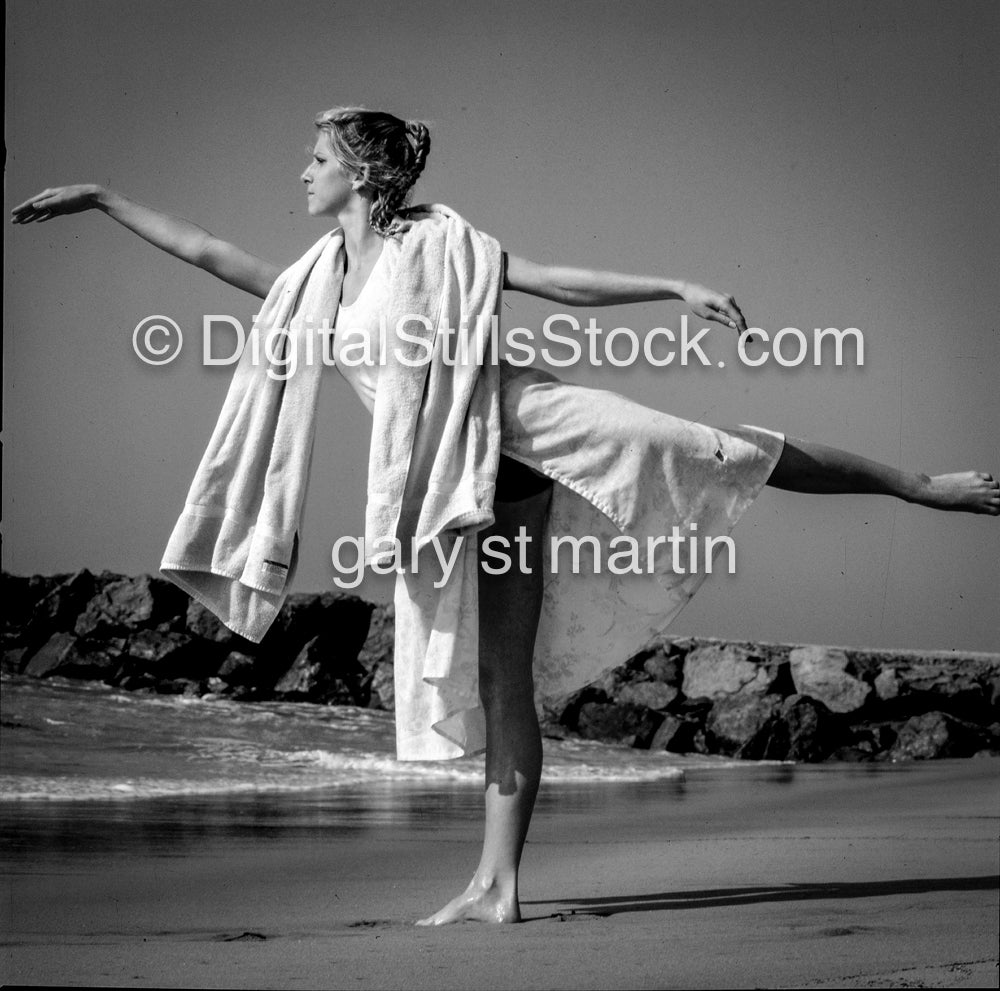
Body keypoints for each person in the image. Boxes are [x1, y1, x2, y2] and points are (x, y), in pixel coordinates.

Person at [11, 107, 998, 928]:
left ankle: (920, 485)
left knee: (716, 448)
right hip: (467, 484)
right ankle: (498, 884)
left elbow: (549, 279)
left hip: (534, 421)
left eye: (314, 159)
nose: (299, 172)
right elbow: (208, 252)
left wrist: (672, 286)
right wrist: (101, 199)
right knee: (499, 680)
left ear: (360, 174)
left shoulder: (437, 240)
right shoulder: (318, 283)